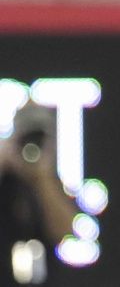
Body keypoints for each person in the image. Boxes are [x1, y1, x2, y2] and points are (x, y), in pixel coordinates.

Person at [0, 101, 80, 285]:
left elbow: (64, 230)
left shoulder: (50, 181)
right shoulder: (5, 177)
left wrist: (42, 179)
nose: (31, 149)